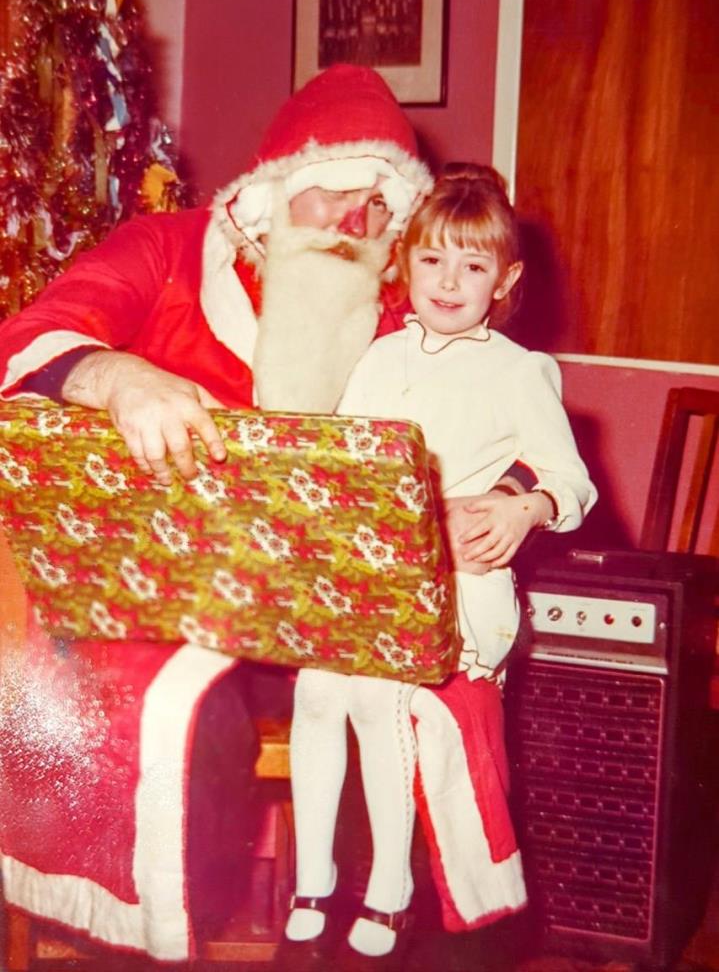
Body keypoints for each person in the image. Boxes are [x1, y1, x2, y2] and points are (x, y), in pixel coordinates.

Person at [0, 68, 538, 959]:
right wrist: (117, 377)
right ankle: (154, 942)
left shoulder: (405, 299)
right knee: (176, 733)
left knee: (426, 711)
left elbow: (506, 401)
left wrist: (519, 495)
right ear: (273, 189)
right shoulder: (165, 250)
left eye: (379, 208)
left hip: (341, 611)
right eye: (336, 193)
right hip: (177, 604)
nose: (356, 225)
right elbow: (26, 336)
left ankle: (348, 942)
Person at [283, 163, 597, 966]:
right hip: (382, 573)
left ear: (505, 279)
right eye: (432, 260)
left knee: (380, 691)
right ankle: (313, 879)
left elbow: (569, 481)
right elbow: (348, 460)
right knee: (318, 687)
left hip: (468, 587)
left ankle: (389, 887)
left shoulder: (517, 370)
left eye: (473, 265)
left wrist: (523, 506)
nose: (449, 282)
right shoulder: (382, 357)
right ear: (405, 264)